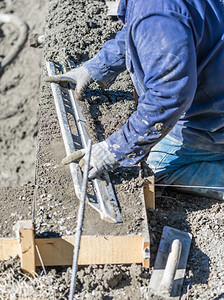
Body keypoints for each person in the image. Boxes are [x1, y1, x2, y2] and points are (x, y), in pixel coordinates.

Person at [47, 0, 224, 199]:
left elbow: (168, 95)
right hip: (214, 84)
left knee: (155, 167)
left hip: (213, 120)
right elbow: (142, 33)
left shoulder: (157, 12)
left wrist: (115, 150)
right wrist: (96, 68)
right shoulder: (152, 9)